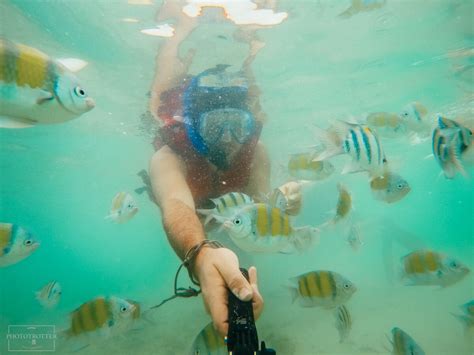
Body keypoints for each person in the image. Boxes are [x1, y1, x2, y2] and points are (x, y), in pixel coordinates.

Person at [148, 0, 301, 337]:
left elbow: (261, 208)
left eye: (238, 126)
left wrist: (285, 203)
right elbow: (175, 204)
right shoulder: (170, 157)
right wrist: (200, 256)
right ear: (195, 127)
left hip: (232, 222)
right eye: (217, 126)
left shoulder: (256, 154)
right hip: (198, 221)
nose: (230, 139)